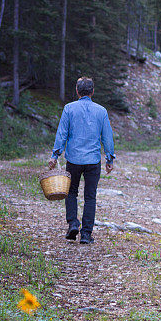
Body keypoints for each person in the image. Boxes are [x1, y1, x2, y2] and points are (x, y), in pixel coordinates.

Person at [47, 77, 115, 244]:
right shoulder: (101, 111)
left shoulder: (69, 109)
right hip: (93, 161)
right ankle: (86, 234)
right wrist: (109, 157)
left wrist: (55, 155)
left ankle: (72, 223)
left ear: (77, 91)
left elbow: (62, 133)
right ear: (92, 92)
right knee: (90, 196)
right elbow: (107, 136)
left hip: (74, 160)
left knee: (71, 192)